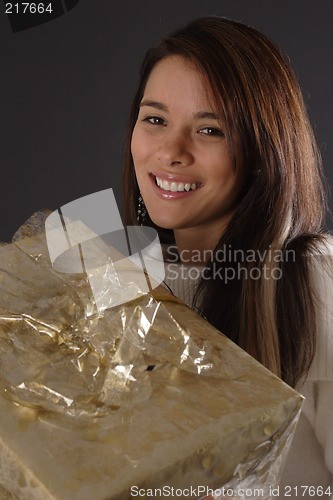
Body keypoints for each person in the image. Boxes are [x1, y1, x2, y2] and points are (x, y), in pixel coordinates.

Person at [122, 16, 333, 496]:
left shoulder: (312, 276)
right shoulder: (119, 280)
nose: (171, 151)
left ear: (263, 150)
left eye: (210, 130)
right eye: (155, 119)